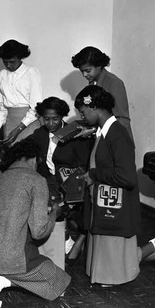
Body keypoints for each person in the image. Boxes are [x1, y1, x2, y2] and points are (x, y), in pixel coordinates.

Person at [75, 85, 155, 286]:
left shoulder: (118, 134)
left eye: (83, 112)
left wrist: (94, 174)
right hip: (104, 199)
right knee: (116, 255)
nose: (81, 117)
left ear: (96, 107)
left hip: (115, 203)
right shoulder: (103, 131)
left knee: (119, 255)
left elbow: (127, 177)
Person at [0, 137, 70, 308]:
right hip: (14, 259)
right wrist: (54, 213)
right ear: (34, 158)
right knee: (60, 283)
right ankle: (2, 280)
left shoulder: (2, 178)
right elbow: (39, 232)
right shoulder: (37, 180)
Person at [31, 96, 93, 259]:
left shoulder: (75, 134)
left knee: (61, 209)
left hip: (72, 181)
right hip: (49, 179)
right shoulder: (40, 133)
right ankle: (65, 241)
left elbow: (84, 164)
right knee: (47, 207)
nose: (51, 124)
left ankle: (74, 239)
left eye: (55, 119)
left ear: (62, 117)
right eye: (47, 119)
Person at [71, 46, 134, 143]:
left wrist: (93, 130)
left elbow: (122, 119)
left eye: (87, 71)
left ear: (99, 65)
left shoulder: (114, 83)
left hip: (118, 141)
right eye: (82, 71)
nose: (84, 75)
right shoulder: (93, 82)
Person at [0, 39, 42, 144]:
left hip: (29, 123)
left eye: (12, 62)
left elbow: (36, 108)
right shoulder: (2, 74)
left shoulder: (31, 72)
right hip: (10, 123)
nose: (8, 66)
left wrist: (19, 129)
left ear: (20, 58)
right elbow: (3, 108)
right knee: (10, 155)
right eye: (5, 62)